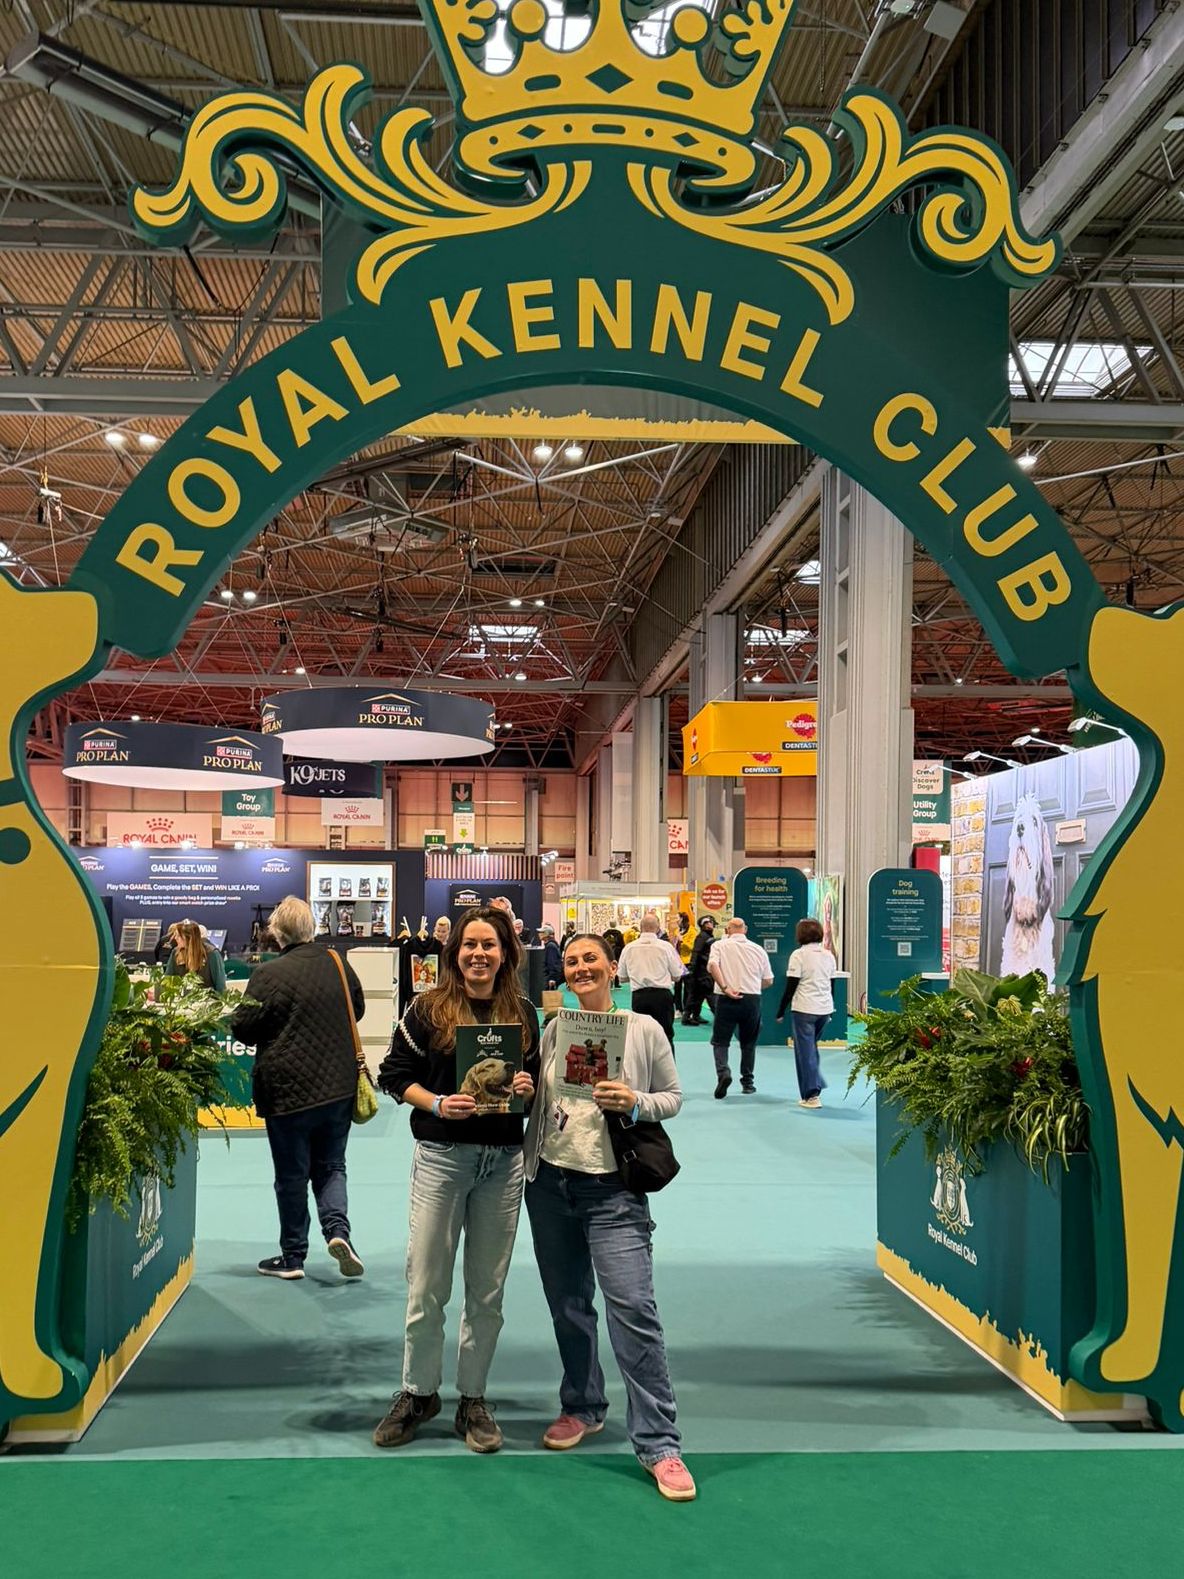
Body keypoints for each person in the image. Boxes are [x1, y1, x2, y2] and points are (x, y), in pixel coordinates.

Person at [524, 933, 694, 1503]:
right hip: (550, 1183)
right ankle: (583, 1406)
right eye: (571, 962)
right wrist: (527, 1087)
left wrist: (636, 1101)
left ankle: (660, 1443)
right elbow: (546, 1102)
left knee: (633, 1309)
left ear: (611, 966)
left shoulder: (642, 1028)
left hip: (613, 1191)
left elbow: (672, 1095)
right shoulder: (554, 1030)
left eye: (590, 958)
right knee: (569, 1305)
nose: (580, 968)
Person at [374, 906, 540, 1454]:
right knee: (426, 1284)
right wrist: (440, 1103)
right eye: (469, 944)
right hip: (443, 1159)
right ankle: (418, 1392)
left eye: (488, 945)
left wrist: (524, 1088)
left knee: (486, 1292)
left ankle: (474, 1397)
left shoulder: (524, 1012)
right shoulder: (426, 1009)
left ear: (505, 953)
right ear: (454, 952)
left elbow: (535, 1083)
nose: (478, 954)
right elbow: (393, 1077)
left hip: (503, 1163)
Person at [230, 896, 366, 1281]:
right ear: (313, 927)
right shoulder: (338, 963)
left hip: (287, 1092)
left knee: (291, 1175)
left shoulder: (268, 975)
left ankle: (293, 1257)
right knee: (332, 1167)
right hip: (338, 1087)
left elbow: (243, 1028)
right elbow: (357, 1011)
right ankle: (338, 1232)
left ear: (276, 933)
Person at [707, 917, 773, 1098]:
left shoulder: (719, 946)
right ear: (745, 929)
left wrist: (726, 988)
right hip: (751, 999)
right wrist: (751, 987)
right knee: (748, 1043)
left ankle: (723, 1073)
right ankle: (748, 1083)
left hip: (725, 998)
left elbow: (713, 965)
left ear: (727, 930)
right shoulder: (758, 949)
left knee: (720, 1041)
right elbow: (768, 980)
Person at [777, 917, 837, 1109]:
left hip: (804, 1009)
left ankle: (812, 1094)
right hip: (824, 1008)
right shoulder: (829, 955)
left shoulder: (798, 955)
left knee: (805, 1052)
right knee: (811, 1049)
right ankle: (814, 1084)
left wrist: (780, 1010)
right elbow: (832, 984)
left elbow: (791, 986)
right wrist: (830, 1007)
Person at [616, 912, 684, 1051]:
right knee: (666, 1036)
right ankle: (668, 1071)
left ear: (640, 928)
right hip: (662, 996)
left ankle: (643, 1071)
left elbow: (622, 977)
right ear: (658, 927)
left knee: (641, 1038)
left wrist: (637, 975)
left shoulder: (629, 948)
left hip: (639, 997)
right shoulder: (666, 947)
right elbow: (677, 975)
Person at [164, 918, 226, 990]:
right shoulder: (176, 953)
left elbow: (220, 985)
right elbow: (168, 979)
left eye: (178, 936)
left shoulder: (211, 953)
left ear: (189, 938)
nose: (175, 938)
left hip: (208, 998)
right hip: (182, 999)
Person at [680, 915, 717, 1025]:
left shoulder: (705, 936)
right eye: (709, 923)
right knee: (710, 996)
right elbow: (696, 953)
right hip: (702, 972)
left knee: (697, 995)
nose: (712, 925)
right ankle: (720, 1018)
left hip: (700, 972)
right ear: (704, 925)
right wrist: (692, 970)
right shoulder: (702, 937)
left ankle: (691, 1016)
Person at [539, 923, 563, 988]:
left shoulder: (550, 946)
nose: (539, 934)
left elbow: (552, 963)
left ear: (546, 934)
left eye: (542, 932)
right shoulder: (551, 945)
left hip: (551, 979)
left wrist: (552, 978)